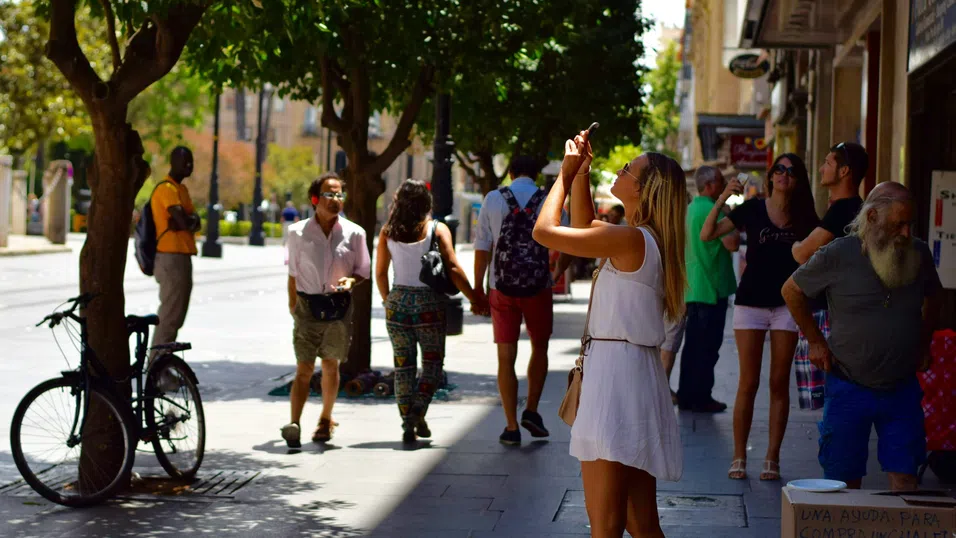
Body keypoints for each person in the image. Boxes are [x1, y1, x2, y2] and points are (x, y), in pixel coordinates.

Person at [535, 130, 686, 538]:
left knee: (606, 527)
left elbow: (545, 232)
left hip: (614, 380)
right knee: (641, 524)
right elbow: (584, 228)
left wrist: (564, 177)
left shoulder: (630, 238)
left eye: (628, 169)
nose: (619, 170)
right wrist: (582, 172)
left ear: (645, 188)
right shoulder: (645, 240)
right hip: (634, 373)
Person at [782, 182, 942, 491]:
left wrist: (924, 342)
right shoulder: (839, 253)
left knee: (906, 477)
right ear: (871, 218)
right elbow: (791, 291)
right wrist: (816, 342)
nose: (906, 233)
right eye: (898, 224)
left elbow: (934, 297)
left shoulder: (917, 252)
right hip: (848, 385)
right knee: (842, 483)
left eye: (910, 224)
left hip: (901, 387)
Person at [700, 153, 820, 481]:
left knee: (778, 382)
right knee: (748, 382)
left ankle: (772, 457)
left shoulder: (806, 216)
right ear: (770, 176)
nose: (784, 175)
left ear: (798, 179)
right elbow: (707, 234)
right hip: (750, 303)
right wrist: (723, 197)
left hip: (787, 305)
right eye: (778, 169)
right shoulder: (751, 209)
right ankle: (739, 456)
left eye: (791, 171)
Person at [375, 180, 485, 443]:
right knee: (432, 365)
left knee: (403, 367)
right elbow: (454, 268)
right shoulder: (437, 229)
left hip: (397, 302)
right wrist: (474, 298)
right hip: (429, 306)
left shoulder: (387, 231)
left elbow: (379, 272)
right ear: (426, 202)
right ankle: (417, 412)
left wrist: (388, 300)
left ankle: (409, 420)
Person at [473, 156, 563, 445]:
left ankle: (511, 426)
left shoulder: (493, 199)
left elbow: (482, 246)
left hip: (502, 288)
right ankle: (532, 410)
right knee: (540, 347)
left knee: (505, 355)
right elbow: (568, 241)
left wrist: (478, 288)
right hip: (538, 287)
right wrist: (556, 271)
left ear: (510, 172)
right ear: (537, 174)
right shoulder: (549, 198)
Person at [281, 173, 371, 448]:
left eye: (339, 194)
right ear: (315, 199)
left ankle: (325, 420)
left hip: (337, 307)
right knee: (304, 368)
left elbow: (363, 271)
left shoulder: (355, 233)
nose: (336, 199)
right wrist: (293, 305)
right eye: (330, 194)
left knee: (331, 366)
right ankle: (294, 423)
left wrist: (352, 281)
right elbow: (292, 274)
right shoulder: (296, 233)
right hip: (307, 307)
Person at [789, 142, 868, 410]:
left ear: (844, 171)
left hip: (830, 315)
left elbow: (802, 254)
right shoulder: (855, 208)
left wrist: (795, 245)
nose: (821, 168)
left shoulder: (843, 210)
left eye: (828, 163)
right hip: (847, 312)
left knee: (833, 403)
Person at [676, 166, 740, 412]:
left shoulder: (691, 209)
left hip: (693, 287)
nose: (724, 186)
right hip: (712, 288)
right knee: (707, 348)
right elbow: (732, 243)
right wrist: (729, 215)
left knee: (692, 347)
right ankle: (701, 396)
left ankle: (686, 395)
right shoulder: (713, 211)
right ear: (711, 185)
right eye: (722, 182)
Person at [150, 146, 200, 360]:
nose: (189, 166)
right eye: (185, 161)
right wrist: (186, 221)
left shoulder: (182, 191)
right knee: (170, 316)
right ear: (173, 162)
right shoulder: (166, 189)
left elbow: (194, 222)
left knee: (176, 317)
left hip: (182, 257)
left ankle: (162, 365)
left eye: (191, 161)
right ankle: (155, 369)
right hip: (170, 257)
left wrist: (187, 221)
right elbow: (183, 220)